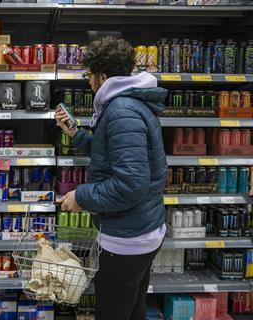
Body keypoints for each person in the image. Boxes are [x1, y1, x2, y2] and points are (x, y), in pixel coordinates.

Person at [55, 37, 168, 320]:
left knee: (113, 312)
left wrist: (81, 196)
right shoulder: (128, 104)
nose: (88, 81)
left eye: (88, 75)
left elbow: (131, 184)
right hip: (142, 230)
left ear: (102, 75)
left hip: (128, 239)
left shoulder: (120, 111)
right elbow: (115, 154)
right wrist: (77, 134)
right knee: (133, 310)